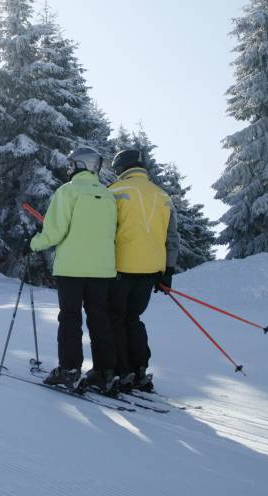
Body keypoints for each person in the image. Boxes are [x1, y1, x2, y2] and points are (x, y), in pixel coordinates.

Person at [29, 147, 119, 393]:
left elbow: (55, 231)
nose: (68, 169)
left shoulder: (68, 191)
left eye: (71, 165)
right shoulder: (108, 195)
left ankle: (69, 369)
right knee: (99, 319)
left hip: (72, 269)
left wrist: (35, 243)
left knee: (70, 318)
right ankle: (105, 371)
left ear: (80, 165)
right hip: (102, 270)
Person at [107, 149, 180, 392]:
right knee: (133, 318)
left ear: (121, 168)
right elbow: (172, 237)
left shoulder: (114, 192)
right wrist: (168, 270)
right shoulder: (163, 196)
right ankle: (140, 370)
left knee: (114, 319)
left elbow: (104, 231)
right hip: (151, 271)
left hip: (120, 267)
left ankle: (122, 371)